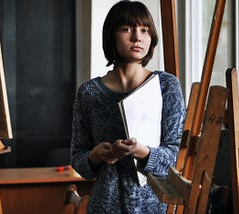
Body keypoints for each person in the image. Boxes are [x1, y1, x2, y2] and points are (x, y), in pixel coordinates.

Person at [71, 0, 186, 213]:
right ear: (111, 35)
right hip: (104, 205)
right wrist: (97, 155)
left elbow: (175, 157)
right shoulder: (89, 92)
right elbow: (78, 161)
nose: (137, 37)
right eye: (127, 29)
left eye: (144, 30)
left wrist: (140, 151)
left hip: (154, 205)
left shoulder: (166, 86)